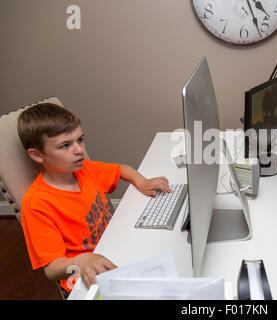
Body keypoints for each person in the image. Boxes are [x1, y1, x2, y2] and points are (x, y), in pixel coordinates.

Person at [17, 103, 171, 294]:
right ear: (37, 155)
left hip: (115, 245)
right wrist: (81, 261)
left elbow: (123, 169)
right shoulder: (37, 204)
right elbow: (51, 268)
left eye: (80, 140)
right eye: (65, 145)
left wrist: (143, 182)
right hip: (88, 275)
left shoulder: (84, 169)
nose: (79, 150)